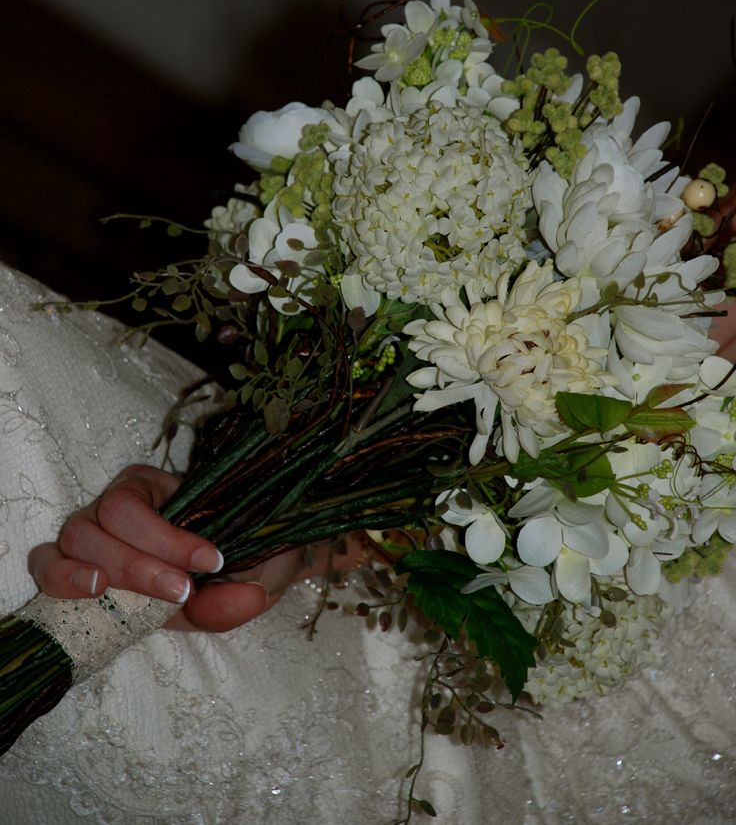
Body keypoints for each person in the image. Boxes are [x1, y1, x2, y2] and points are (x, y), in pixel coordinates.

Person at [1, 262, 735, 824]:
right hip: (369, 586)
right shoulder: (680, 252)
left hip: (457, 756)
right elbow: (452, 485)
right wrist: (285, 525)